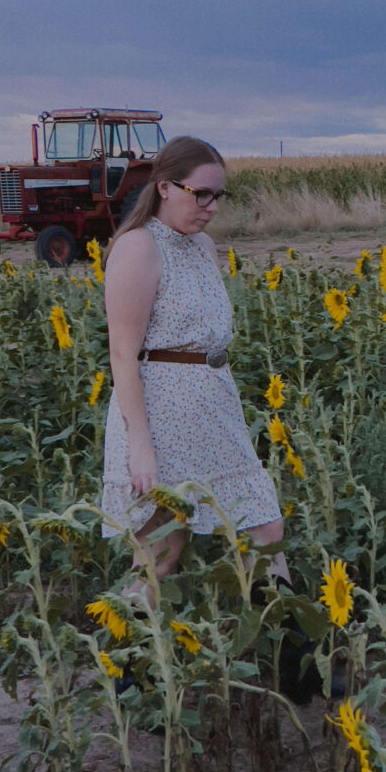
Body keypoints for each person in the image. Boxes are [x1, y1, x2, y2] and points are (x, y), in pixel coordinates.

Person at [100, 136, 291, 603]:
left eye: (217, 196)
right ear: (165, 187)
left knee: (265, 528)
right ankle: (128, 669)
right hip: (161, 415)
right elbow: (123, 355)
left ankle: (301, 662)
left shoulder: (203, 245)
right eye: (199, 193)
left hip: (214, 407)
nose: (210, 206)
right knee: (161, 551)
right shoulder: (138, 248)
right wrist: (140, 445)